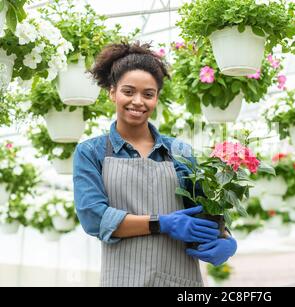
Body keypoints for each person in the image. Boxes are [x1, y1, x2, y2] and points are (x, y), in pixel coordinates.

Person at [73, 42, 237, 287]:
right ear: (112, 92)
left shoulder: (179, 151)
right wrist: (163, 223)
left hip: (179, 280)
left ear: (156, 98)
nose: (138, 101)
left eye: (148, 94)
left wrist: (225, 240)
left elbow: (203, 208)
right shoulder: (91, 152)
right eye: (128, 92)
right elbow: (94, 218)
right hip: (122, 279)